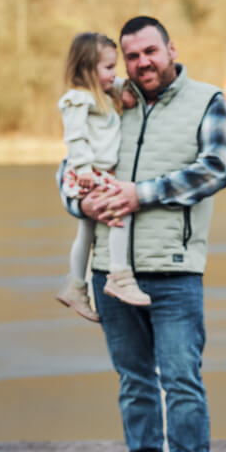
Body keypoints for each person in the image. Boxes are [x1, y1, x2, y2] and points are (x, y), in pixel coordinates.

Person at [61, 16, 226, 452]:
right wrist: (81, 203)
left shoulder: (208, 100)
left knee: (181, 379)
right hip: (109, 271)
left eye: (149, 53)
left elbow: (217, 168)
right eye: (131, 56)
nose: (141, 64)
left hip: (175, 267)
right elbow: (70, 166)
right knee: (134, 380)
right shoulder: (112, 99)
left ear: (170, 49)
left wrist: (142, 194)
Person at [56, 32, 150, 319]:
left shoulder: (104, 96)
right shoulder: (77, 100)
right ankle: (119, 276)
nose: (115, 73)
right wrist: (83, 168)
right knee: (122, 210)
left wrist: (123, 88)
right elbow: (74, 136)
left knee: (86, 231)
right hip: (89, 172)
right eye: (108, 68)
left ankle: (75, 286)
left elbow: (118, 86)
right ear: (87, 69)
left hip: (96, 171)